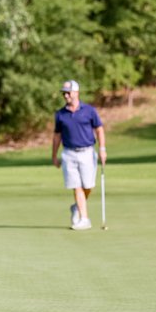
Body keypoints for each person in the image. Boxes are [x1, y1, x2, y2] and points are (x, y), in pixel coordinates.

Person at [52, 79, 107, 230]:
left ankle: (77, 207)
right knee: (77, 186)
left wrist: (102, 149)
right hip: (69, 154)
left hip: (87, 153)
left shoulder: (89, 111)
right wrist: (54, 156)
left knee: (88, 186)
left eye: (68, 93)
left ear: (76, 92)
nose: (65, 96)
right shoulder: (60, 114)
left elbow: (99, 129)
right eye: (64, 93)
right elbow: (57, 136)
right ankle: (84, 219)